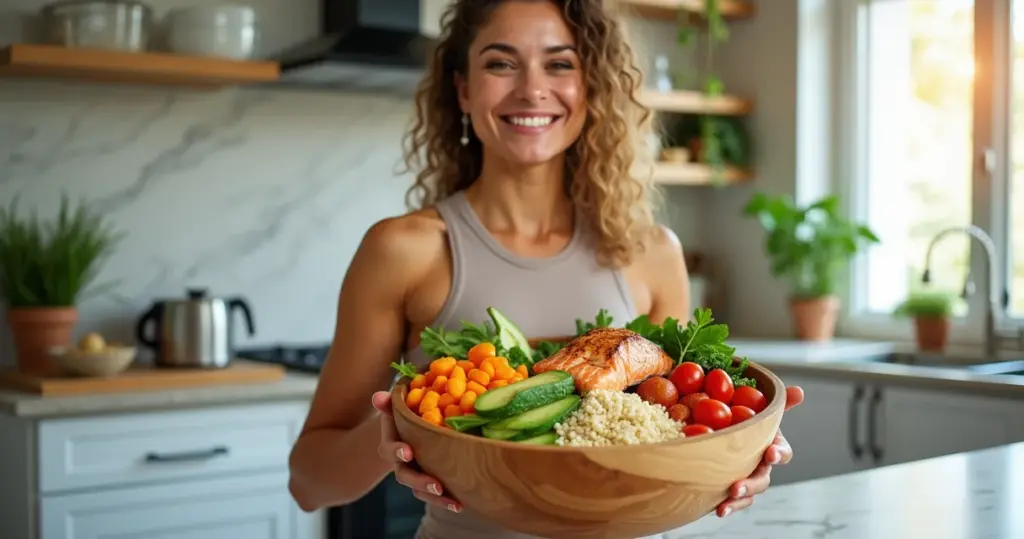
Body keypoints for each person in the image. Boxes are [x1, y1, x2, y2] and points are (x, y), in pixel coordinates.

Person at [287, 1, 805, 538]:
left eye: (559, 64)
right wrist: (402, 430)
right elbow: (310, 481)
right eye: (501, 63)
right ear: (463, 88)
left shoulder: (652, 252)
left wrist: (741, 452)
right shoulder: (403, 250)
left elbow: (685, 434)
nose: (532, 90)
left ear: (592, 88)